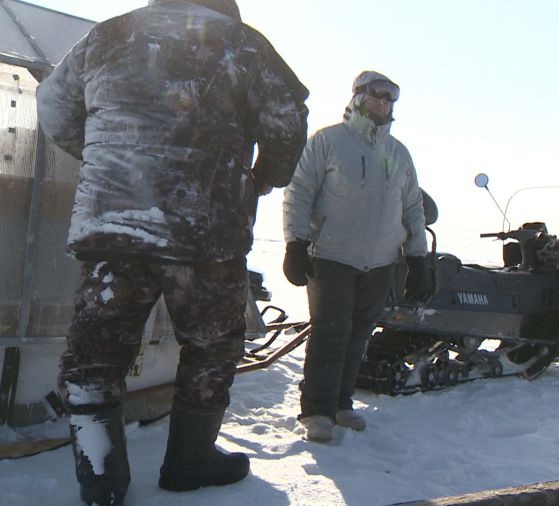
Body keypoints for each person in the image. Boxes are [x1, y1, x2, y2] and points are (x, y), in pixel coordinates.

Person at [35, 0, 309, 503]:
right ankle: (189, 462)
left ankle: (101, 478)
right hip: (204, 231)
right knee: (210, 346)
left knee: (95, 354)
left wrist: (107, 155)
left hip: (113, 228)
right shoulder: (244, 43)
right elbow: (287, 125)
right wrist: (261, 178)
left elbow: (52, 108)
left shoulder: (107, 35)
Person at [282, 70, 430, 443]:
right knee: (330, 334)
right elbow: (299, 193)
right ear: (359, 96)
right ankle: (316, 410)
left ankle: (341, 405)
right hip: (331, 256)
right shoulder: (328, 141)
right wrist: (295, 244)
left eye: (391, 99)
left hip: (380, 261)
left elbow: (412, 207)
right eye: (378, 96)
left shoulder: (397, 152)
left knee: (358, 335)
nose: (385, 103)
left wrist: (418, 259)